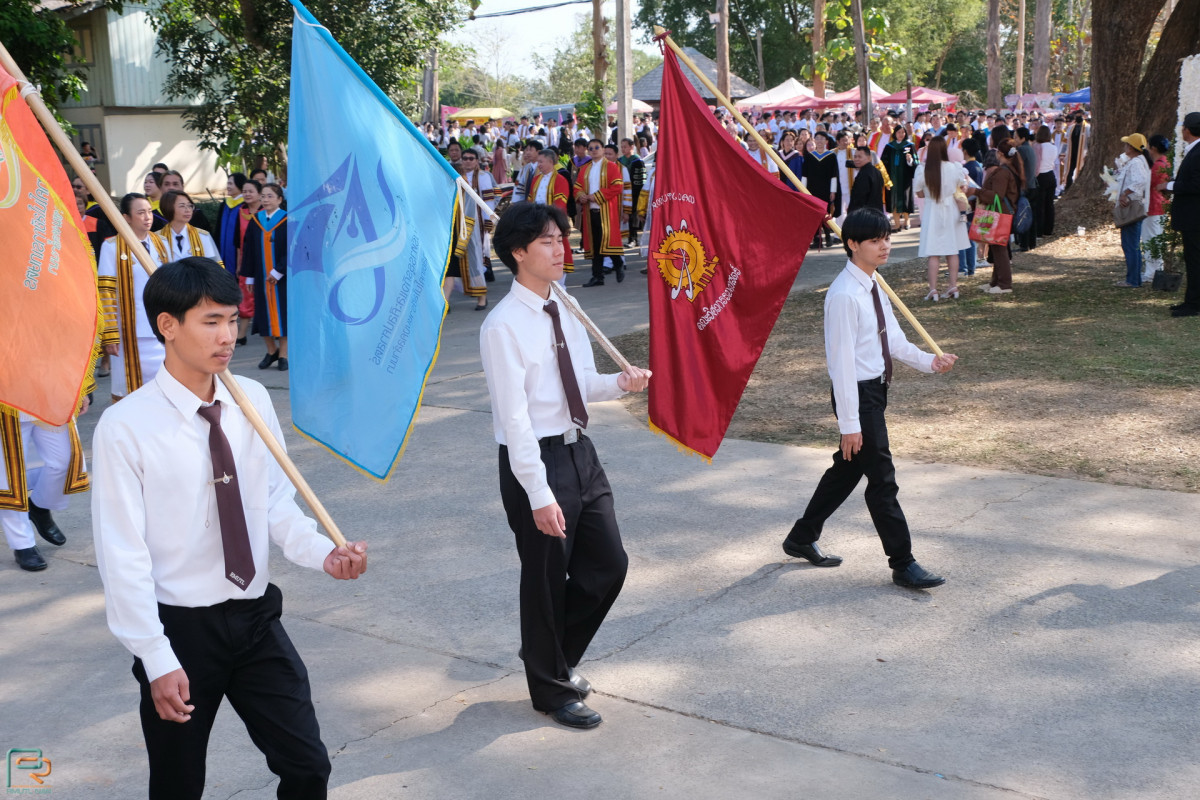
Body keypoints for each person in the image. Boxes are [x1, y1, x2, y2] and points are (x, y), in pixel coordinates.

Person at [91, 257, 367, 799]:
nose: (227, 336)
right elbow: (122, 554)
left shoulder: (251, 400)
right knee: (178, 783)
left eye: (233, 320)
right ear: (168, 325)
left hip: (255, 616)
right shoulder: (126, 427)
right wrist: (155, 656)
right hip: (180, 630)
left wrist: (322, 552)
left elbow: (274, 501)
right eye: (211, 321)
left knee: (307, 766)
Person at [480, 202, 651, 729]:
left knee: (608, 565)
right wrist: (538, 494)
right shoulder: (502, 326)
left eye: (562, 238)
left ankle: (548, 656)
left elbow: (580, 383)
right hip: (536, 460)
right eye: (548, 242)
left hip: (581, 452)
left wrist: (619, 383)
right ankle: (551, 690)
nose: (561, 249)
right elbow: (514, 420)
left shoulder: (566, 305)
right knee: (546, 579)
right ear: (518, 252)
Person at [780, 207, 956, 589]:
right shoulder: (844, 295)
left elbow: (893, 340)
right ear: (852, 244)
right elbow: (841, 364)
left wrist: (930, 362)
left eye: (887, 238)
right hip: (858, 397)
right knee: (882, 480)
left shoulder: (874, 284)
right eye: (875, 240)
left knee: (846, 470)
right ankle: (903, 563)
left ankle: (801, 536)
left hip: (875, 391)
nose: (885, 246)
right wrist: (850, 424)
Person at [0, 390, 92, 571]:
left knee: (65, 461)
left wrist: (82, 389)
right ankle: (22, 544)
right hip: (5, 397)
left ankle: (39, 507)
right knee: (8, 475)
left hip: (49, 391)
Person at [98, 193, 172, 400]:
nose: (147, 217)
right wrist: (110, 333)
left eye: (149, 211)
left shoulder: (161, 243)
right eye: (140, 213)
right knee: (129, 389)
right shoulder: (112, 246)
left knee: (165, 385)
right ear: (126, 218)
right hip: (129, 331)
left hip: (162, 328)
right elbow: (106, 291)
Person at [239, 183, 289, 368]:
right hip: (261, 277)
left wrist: (279, 271)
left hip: (283, 278)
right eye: (263, 196)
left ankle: (283, 354)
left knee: (283, 314)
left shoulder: (288, 220)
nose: (265, 200)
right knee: (262, 314)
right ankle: (271, 350)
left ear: (279, 199)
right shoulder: (256, 220)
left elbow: (293, 248)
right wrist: (249, 276)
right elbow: (249, 250)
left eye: (270, 196)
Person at [913, 137, 969, 301]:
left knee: (933, 252)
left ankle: (933, 289)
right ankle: (953, 285)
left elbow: (919, 193)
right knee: (952, 250)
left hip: (932, 210)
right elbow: (962, 186)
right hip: (951, 209)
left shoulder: (923, 169)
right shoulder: (954, 167)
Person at [575, 139, 626, 287]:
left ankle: (618, 264)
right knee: (595, 245)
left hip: (606, 211)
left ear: (603, 149)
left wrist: (596, 196)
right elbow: (577, 187)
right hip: (590, 212)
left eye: (597, 147)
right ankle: (597, 276)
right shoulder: (585, 169)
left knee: (608, 241)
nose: (594, 150)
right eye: (590, 148)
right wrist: (581, 196)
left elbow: (617, 187)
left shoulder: (611, 166)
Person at [976, 139, 1022, 295]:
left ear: (1000, 154)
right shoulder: (1011, 169)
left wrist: (976, 192)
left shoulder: (1003, 172)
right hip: (1003, 212)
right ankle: (996, 281)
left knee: (999, 249)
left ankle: (1004, 284)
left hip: (1001, 212)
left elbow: (997, 195)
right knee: (996, 248)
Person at [454, 147, 496, 309]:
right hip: (458, 223)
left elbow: (488, 200)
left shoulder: (484, 177)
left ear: (477, 161)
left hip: (476, 224)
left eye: (471, 158)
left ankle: (481, 296)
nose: (467, 161)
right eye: (465, 158)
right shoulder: (456, 175)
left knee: (476, 259)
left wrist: (488, 219)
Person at [1168, 112, 1200, 316]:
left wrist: (1170, 186)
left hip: (1194, 217)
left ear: (1187, 130)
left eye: (1183, 127)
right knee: (1192, 259)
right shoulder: (1195, 150)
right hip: (1192, 217)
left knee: (1195, 260)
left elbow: (1196, 185)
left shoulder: (1198, 153)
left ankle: (1194, 304)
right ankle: (1191, 300)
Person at [529, 148, 575, 281]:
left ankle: (560, 283)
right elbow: (530, 200)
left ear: (550, 162)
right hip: (537, 223)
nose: (539, 164)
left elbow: (560, 204)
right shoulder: (536, 179)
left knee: (557, 250)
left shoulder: (560, 179)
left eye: (541, 162)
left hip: (554, 222)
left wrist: (550, 219)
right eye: (538, 162)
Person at [1114, 133, 1152, 288]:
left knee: (1131, 244)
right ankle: (1134, 278)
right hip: (1133, 205)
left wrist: (1125, 193)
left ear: (1131, 147)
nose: (1125, 147)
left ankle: (1132, 280)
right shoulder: (1137, 161)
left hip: (1132, 207)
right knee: (1131, 244)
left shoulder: (1136, 162)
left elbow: (1140, 181)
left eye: (1127, 144)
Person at [159, 191, 222, 263]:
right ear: (168, 208)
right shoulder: (157, 238)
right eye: (182, 206)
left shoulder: (203, 236)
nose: (188, 210)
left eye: (190, 206)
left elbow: (214, 264)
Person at [1142, 134, 1172, 282]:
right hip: (1161, 204)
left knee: (1151, 239)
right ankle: (1154, 270)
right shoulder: (1166, 162)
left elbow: (1146, 183)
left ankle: (1152, 273)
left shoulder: (1157, 166)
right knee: (1156, 238)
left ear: (1153, 148)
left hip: (1153, 205)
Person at [804, 131, 840, 248]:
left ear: (826, 141)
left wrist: (833, 191)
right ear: (814, 140)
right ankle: (816, 239)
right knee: (814, 214)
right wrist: (803, 190)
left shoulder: (831, 156)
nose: (819, 141)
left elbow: (834, 175)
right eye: (817, 138)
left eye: (822, 138)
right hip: (811, 189)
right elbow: (805, 175)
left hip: (826, 190)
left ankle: (828, 236)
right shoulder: (809, 156)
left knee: (826, 213)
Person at [213, 173, 246, 278]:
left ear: (239, 185)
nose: (228, 186)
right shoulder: (225, 204)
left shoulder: (244, 206)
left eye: (231, 184)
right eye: (228, 183)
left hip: (237, 252)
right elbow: (218, 228)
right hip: (222, 249)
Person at [883, 126, 916, 231]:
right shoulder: (889, 146)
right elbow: (883, 162)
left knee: (905, 199)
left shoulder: (909, 146)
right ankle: (897, 224)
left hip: (905, 178)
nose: (901, 134)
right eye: (899, 132)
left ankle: (907, 220)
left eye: (903, 132)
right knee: (893, 200)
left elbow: (916, 162)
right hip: (892, 178)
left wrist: (910, 160)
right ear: (895, 133)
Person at [960, 139, 985, 277]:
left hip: (967, 205)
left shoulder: (966, 168)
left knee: (963, 238)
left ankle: (963, 267)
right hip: (976, 205)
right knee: (970, 238)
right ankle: (971, 267)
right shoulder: (978, 166)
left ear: (965, 151)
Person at [1014, 128, 1040, 250]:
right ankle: (1032, 242)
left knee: (1023, 216)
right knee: (1032, 216)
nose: (1014, 140)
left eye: (1016, 137)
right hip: (1033, 185)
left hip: (1025, 187)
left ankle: (1024, 244)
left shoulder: (1021, 150)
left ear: (1022, 138)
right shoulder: (1030, 148)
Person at [619, 138, 646, 246]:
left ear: (632, 147)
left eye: (625, 146)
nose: (623, 149)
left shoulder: (638, 161)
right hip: (623, 192)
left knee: (633, 215)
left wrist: (638, 193)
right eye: (622, 147)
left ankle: (633, 239)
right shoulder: (619, 161)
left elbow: (641, 180)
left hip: (635, 192)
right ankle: (627, 238)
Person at [1034, 126, 1058, 238]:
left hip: (1040, 176)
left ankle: (1039, 231)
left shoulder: (1037, 147)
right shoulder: (1054, 147)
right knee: (1049, 204)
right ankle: (1048, 230)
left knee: (1040, 205)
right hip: (1050, 175)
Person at [846, 146, 884, 213]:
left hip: (864, 214)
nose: (856, 159)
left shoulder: (864, 174)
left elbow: (859, 198)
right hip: (876, 212)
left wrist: (852, 211)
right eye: (855, 157)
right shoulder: (876, 171)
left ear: (869, 158)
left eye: (860, 157)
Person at [1065, 113, 1088, 189]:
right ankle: (1068, 186)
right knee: (1070, 170)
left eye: (1080, 116)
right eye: (1077, 116)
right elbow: (1066, 141)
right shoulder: (1071, 128)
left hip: (1082, 153)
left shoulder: (1087, 128)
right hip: (1072, 153)